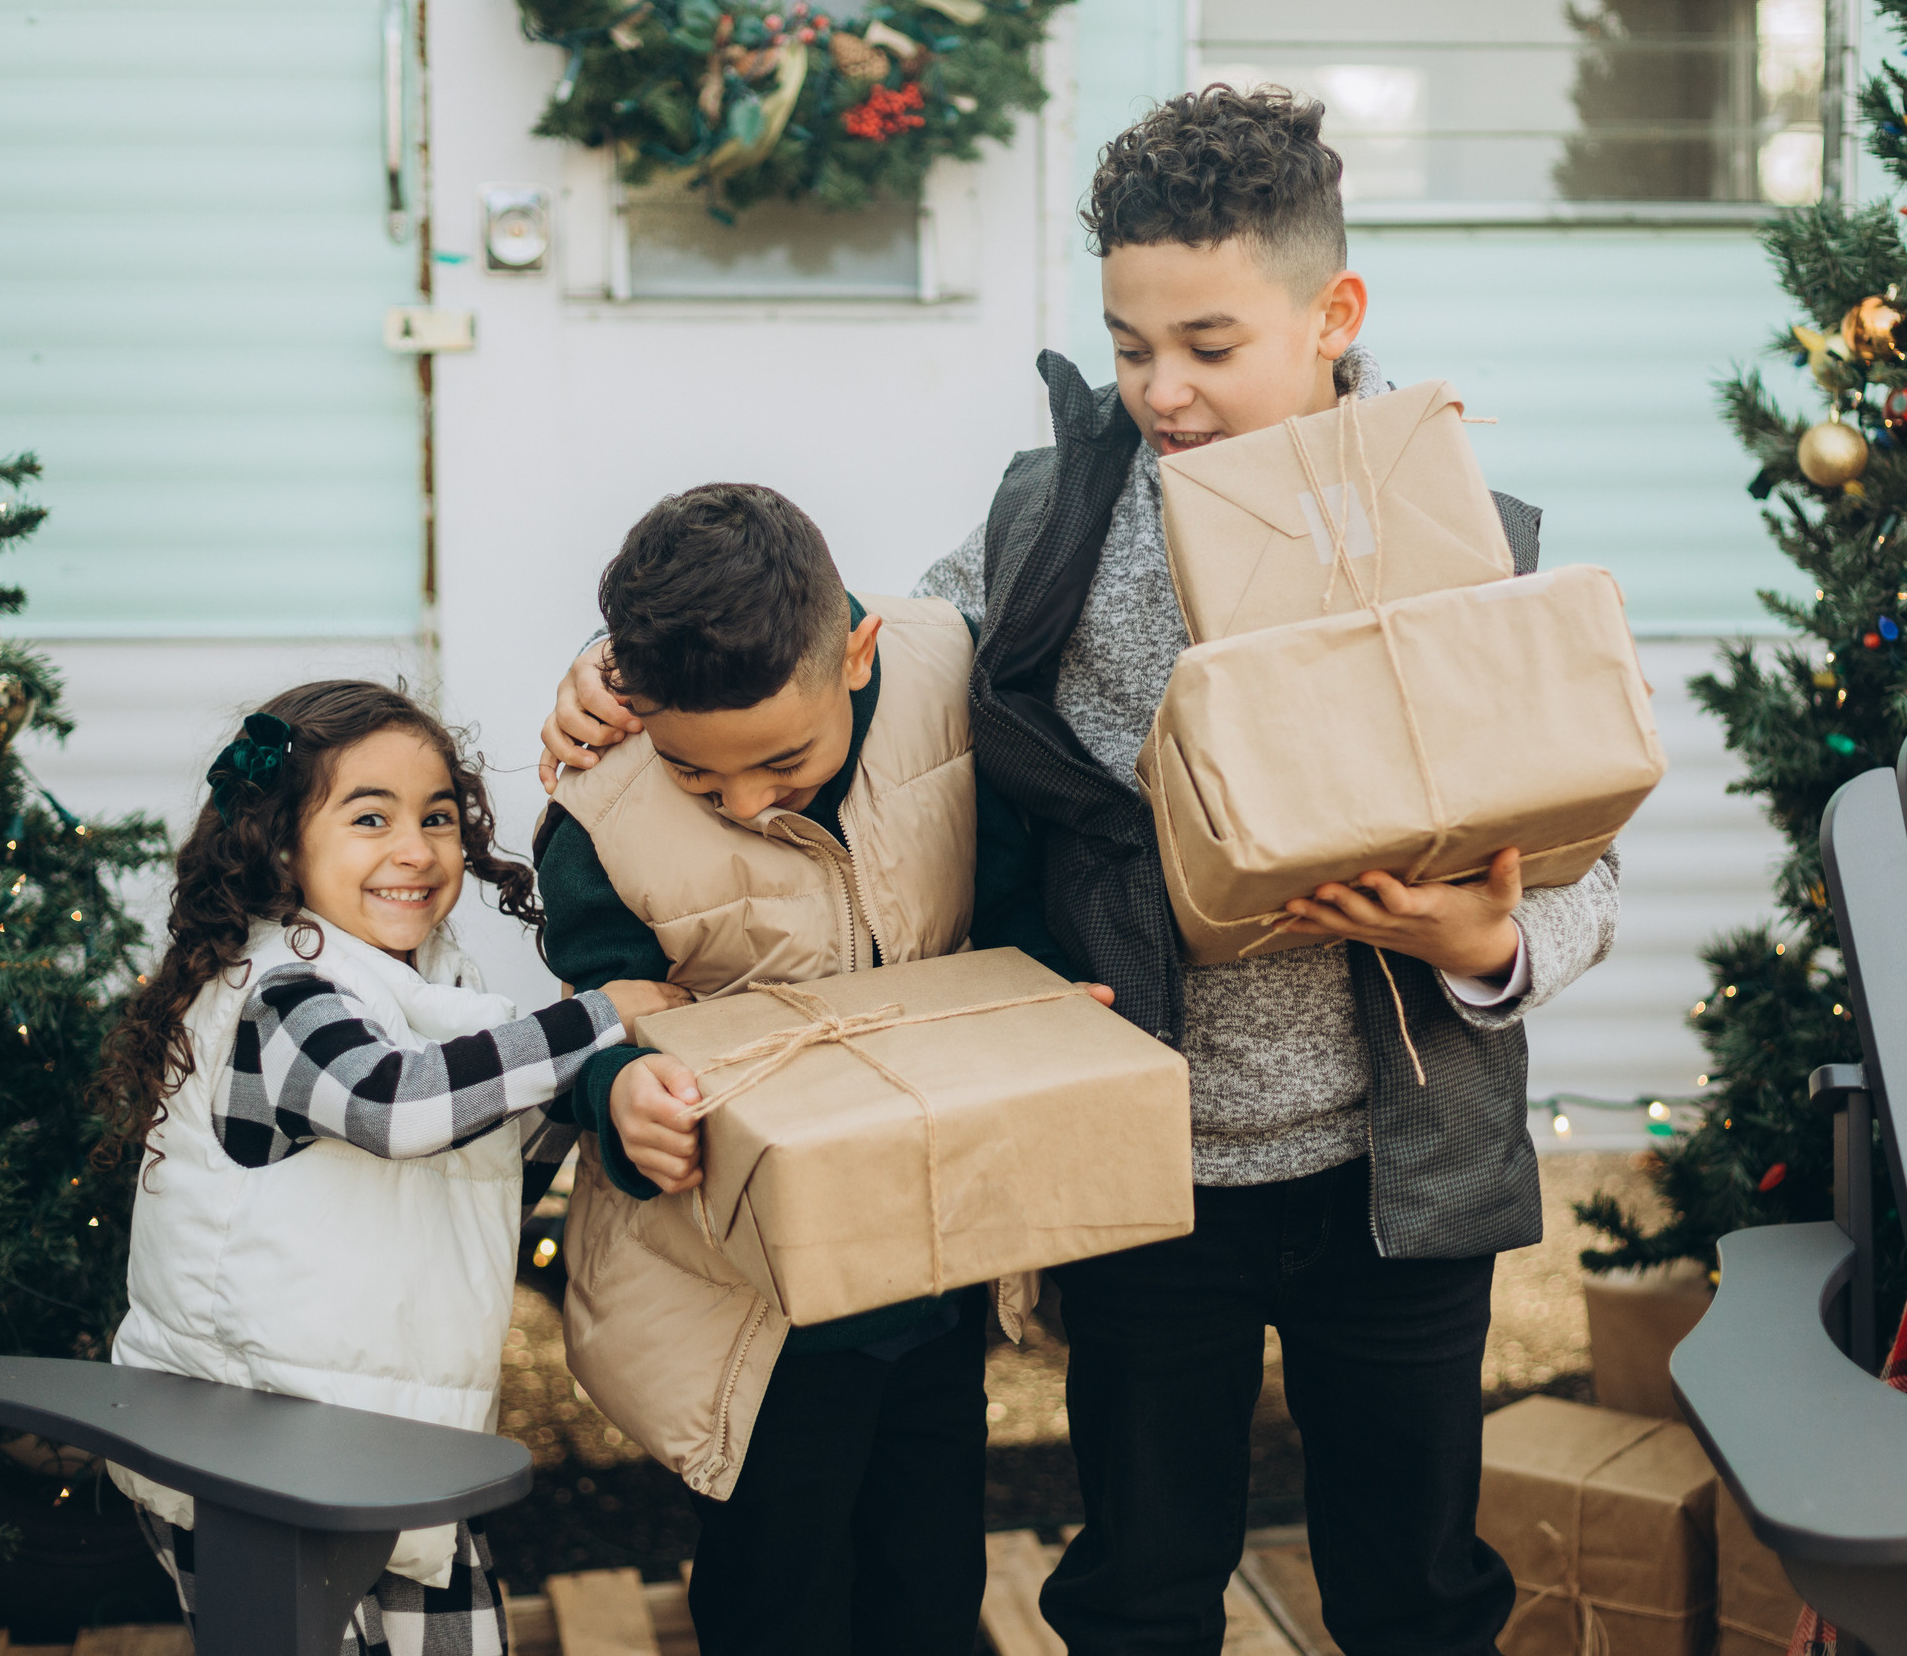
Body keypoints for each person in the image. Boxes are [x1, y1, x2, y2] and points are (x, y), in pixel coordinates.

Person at [542, 90, 1620, 1654]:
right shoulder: (1058, 517)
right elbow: (854, 652)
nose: (1163, 391)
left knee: (1416, 1580)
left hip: (1401, 1167)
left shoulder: (1466, 540)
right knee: (1136, 1579)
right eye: (1129, 347)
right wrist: (621, 659)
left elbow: (1587, 862)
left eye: (1208, 343)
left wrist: (1486, 938)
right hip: (1145, 1168)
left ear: (1335, 314)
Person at [533, 483, 1100, 1656]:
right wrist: (616, 1099)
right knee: (774, 1589)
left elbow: (1012, 905)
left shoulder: (952, 680)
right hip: (744, 1303)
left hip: (932, 1263)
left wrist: (1048, 1012)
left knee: (928, 1570)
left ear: (857, 655)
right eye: (701, 778)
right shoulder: (600, 808)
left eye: (781, 763)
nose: (745, 802)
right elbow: (595, 1019)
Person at [92, 679, 691, 1656]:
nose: (415, 850)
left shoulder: (436, 1002)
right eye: (370, 818)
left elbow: (491, 1157)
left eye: (439, 818)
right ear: (278, 843)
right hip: (254, 1454)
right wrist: (604, 1015)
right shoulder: (282, 998)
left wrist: (615, 1108)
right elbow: (394, 1103)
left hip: (384, 1444)